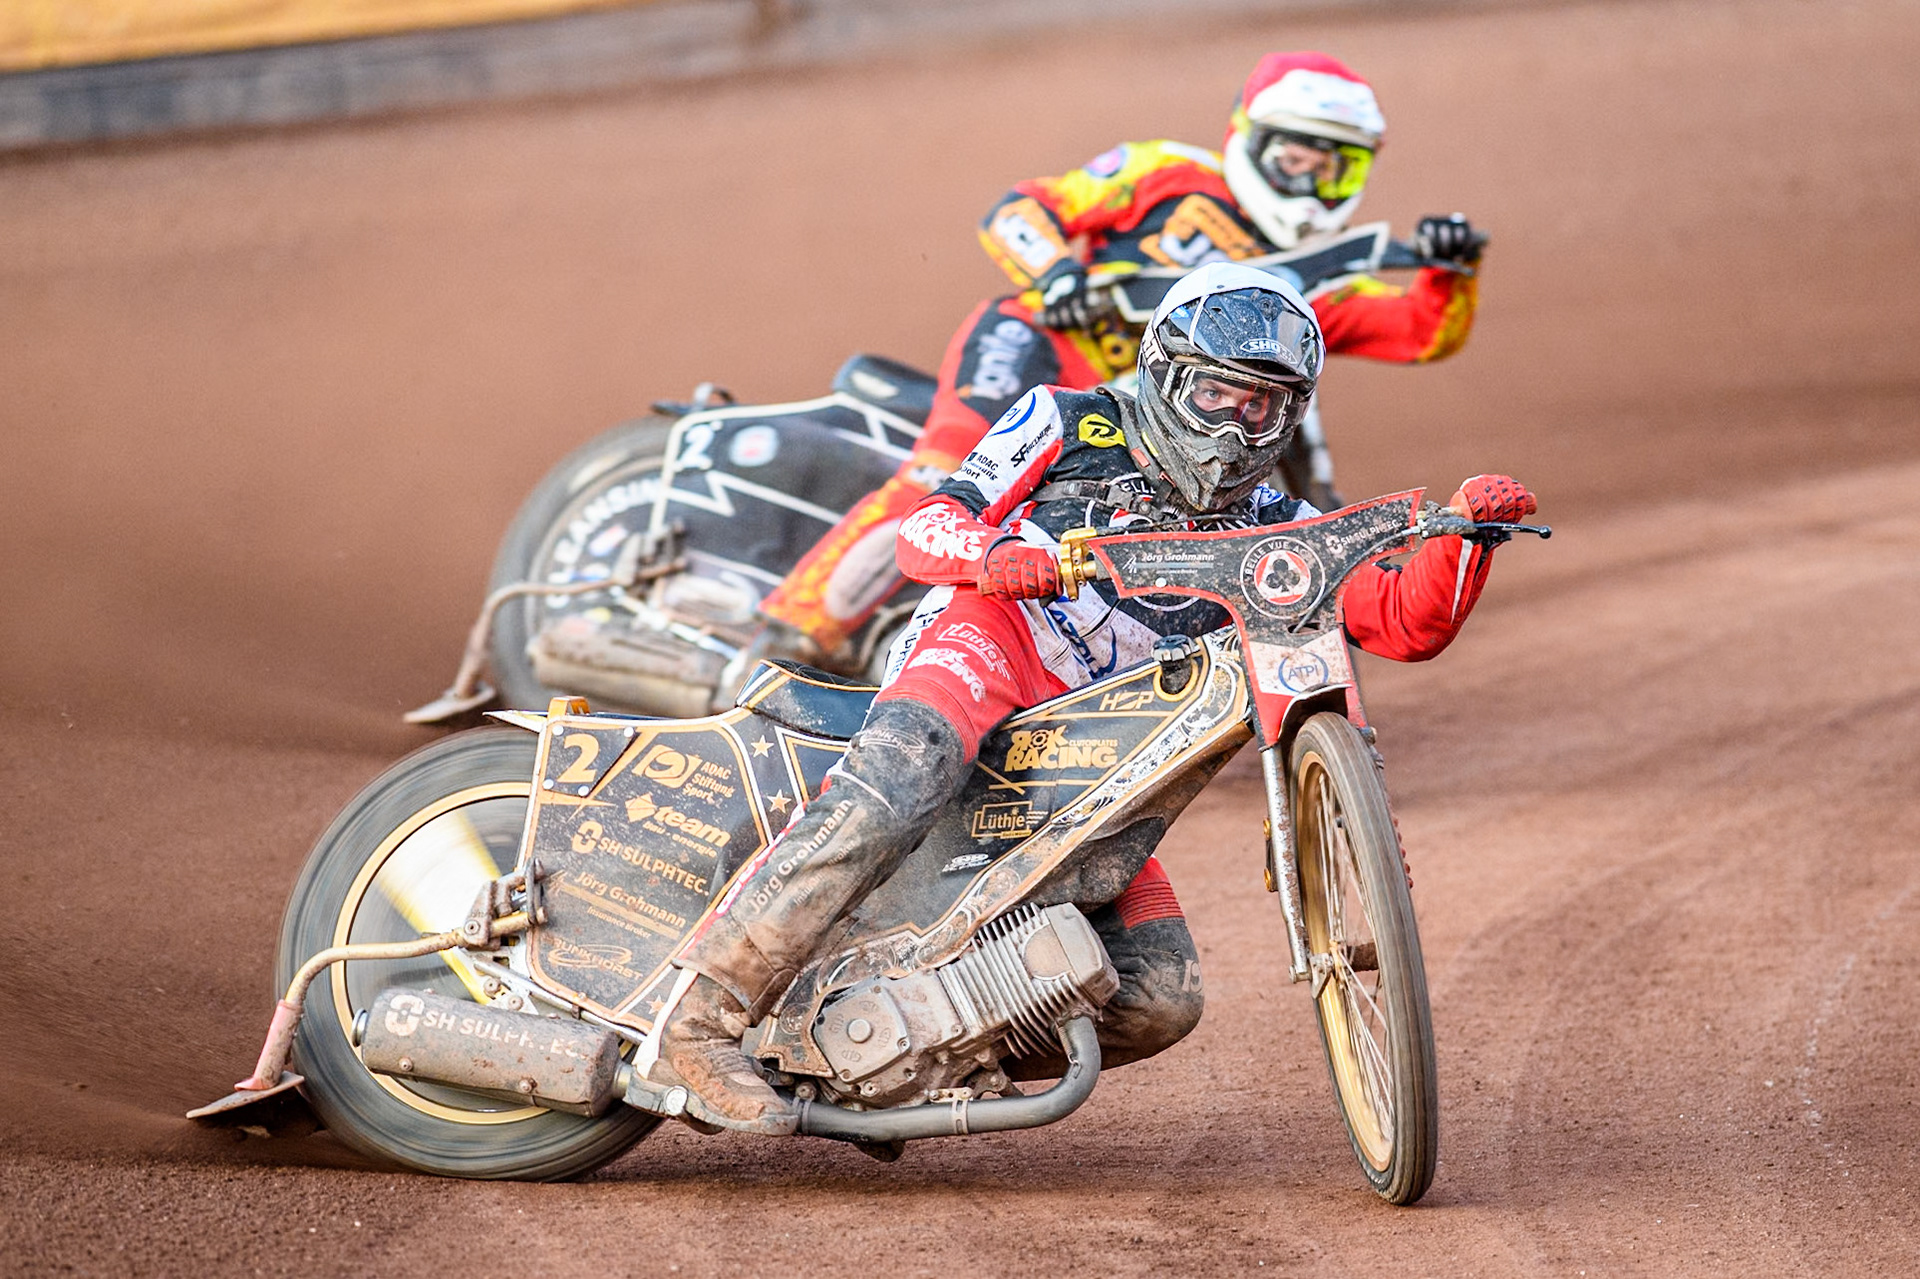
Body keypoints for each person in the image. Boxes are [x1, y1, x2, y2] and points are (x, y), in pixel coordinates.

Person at [656, 262, 1537, 1132]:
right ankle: (698, 1021)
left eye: (1261, 405)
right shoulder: (1069, 418)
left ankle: (904, 1052)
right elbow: (925, 527)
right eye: (1218, 393)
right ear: (1163, 374)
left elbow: (1392, 620)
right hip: (994, 648)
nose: (1236, 424)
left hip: (1097, 759)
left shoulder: (1274, 515)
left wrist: (1466, 540)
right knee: (904, 776)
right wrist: (998, 557)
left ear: (1290, 414)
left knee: (1160, 996)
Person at [755, 50, 1488, 670]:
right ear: (1251, 139)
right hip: (1039, 349)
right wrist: (1054, 274)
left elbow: (1423, 334)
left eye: (1337, 168)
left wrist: (1450, 271)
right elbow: (1020, 209)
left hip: (1148, 423)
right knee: (939, 474)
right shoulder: (1164, 172)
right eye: (1297, 158)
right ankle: (789, 630)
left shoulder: (1308, 283)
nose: (1311, 184)